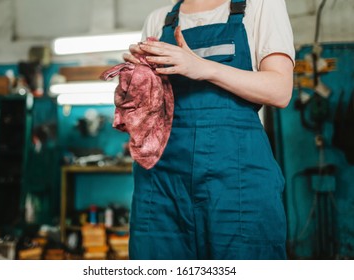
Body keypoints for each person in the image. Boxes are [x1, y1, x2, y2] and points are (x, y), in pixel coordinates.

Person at [123, 0, 295, 260]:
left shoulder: (260, 5)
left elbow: (280, 90)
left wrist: (203, 68)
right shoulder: (159, 20)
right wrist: (137, 82)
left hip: (237, 178)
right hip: (162, 182)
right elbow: (148, 111)